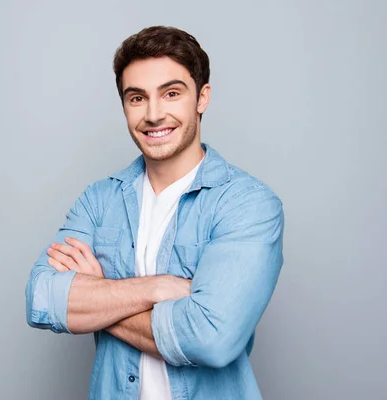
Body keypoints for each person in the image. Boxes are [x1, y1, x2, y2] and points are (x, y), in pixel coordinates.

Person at [25, 25, 284, 400]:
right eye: (137, 98)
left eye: (172, 94)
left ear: (202, 98)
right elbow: (42, 298)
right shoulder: (99, 200)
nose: (154, 114)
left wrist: (99, 296)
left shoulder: (247, 204)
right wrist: (157, 287)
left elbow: (212, 339)